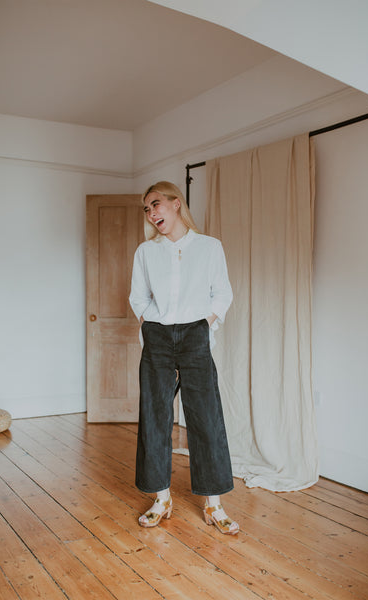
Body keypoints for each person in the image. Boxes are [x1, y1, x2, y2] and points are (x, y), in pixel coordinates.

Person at [129, 181, 239, 535]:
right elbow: (138, 296)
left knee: (206, 418)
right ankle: (161, 499)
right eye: (147, 209)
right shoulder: (146, 252)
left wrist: (204, 324)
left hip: (195, 334)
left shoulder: (209, 247)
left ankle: (214, 504)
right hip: (158, 335)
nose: (152, 213)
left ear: (176, 204)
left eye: (156, 204)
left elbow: (222, 292)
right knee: (155, 417)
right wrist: (150, 325)